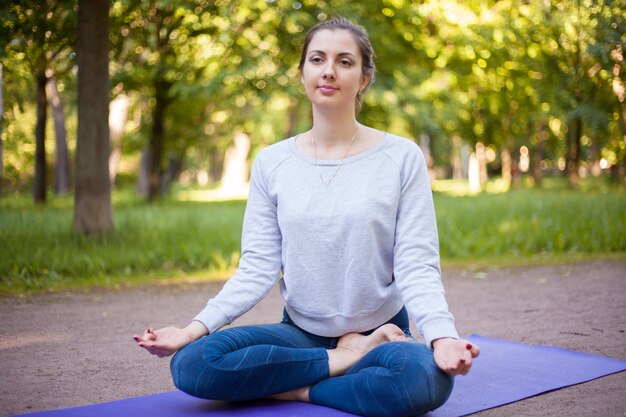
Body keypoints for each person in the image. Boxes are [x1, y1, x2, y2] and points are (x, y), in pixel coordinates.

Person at [134, 17, 479, 417]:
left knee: (425, 380)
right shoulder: (272, 162)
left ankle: (300, 388)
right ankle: (345, 363)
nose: (329, 70)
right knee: (194, 363)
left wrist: (442, 338)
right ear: (303, 73)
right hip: (299, 335)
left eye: (344, 61)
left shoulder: (401, 158)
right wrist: (191, 329)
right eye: (317, 59)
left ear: (364, 78)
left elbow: (417, 264)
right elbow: (258, 267)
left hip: (383, 334)